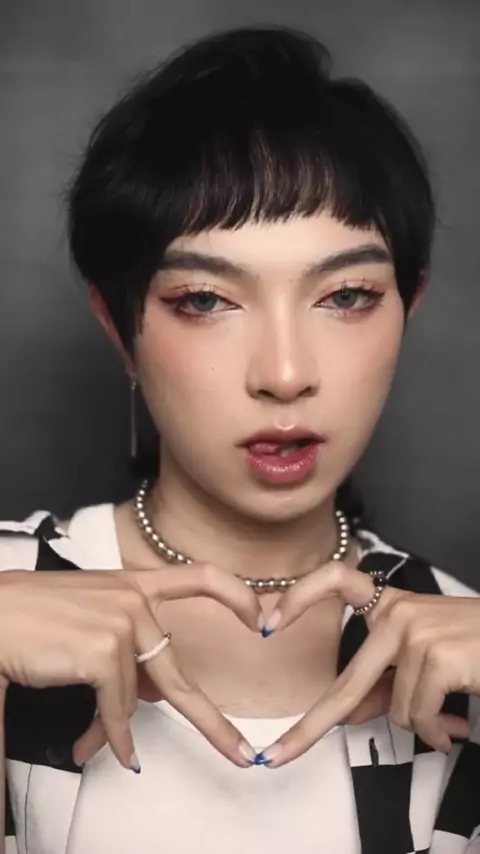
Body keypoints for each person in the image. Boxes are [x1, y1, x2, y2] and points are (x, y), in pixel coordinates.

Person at [1, 23, 480, 854]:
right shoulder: (10, 596)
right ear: (119, 330)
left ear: (407, 310)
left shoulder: (465, 640)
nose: (285, 374)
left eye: (347, 296)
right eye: (205, 300)